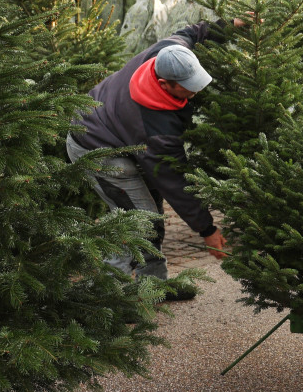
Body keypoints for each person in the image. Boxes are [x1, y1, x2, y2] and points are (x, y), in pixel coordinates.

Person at [66, 21, 228, 299]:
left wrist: (233, 25)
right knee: (138, 220)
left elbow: (194, 32)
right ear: (164, 84)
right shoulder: (155, 125)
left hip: (118, 135)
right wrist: (207, 229)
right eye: (188, 88)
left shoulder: (169, 51)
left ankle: (152, 288)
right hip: (95, 148)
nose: (196, 91)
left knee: (150, 214)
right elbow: (174, 181)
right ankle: (108, 297)